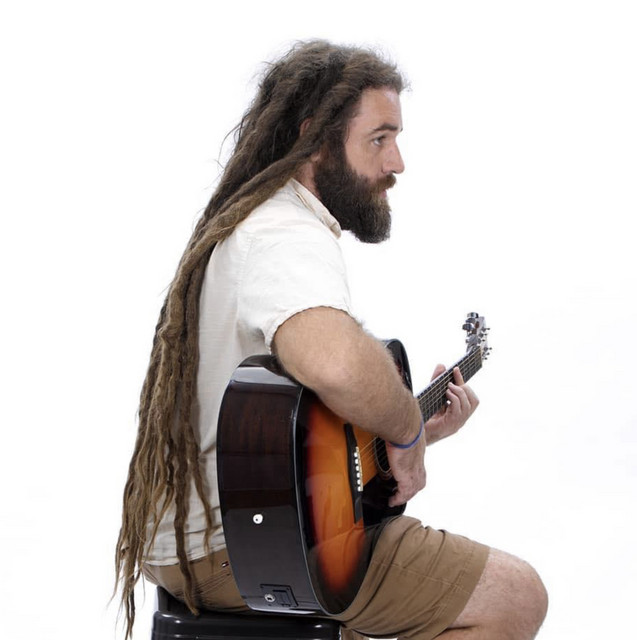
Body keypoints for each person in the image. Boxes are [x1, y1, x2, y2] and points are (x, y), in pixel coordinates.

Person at [115, 40, 548, 639]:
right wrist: (405, 427)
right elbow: (337, 364)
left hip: (219, 538)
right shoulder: (285, 234)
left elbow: (289, 439)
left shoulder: (258, 221)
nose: (397, 162)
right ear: (316, 139)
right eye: (379, 138)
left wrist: (407, 433)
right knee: (515, 596)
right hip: (237, 548)